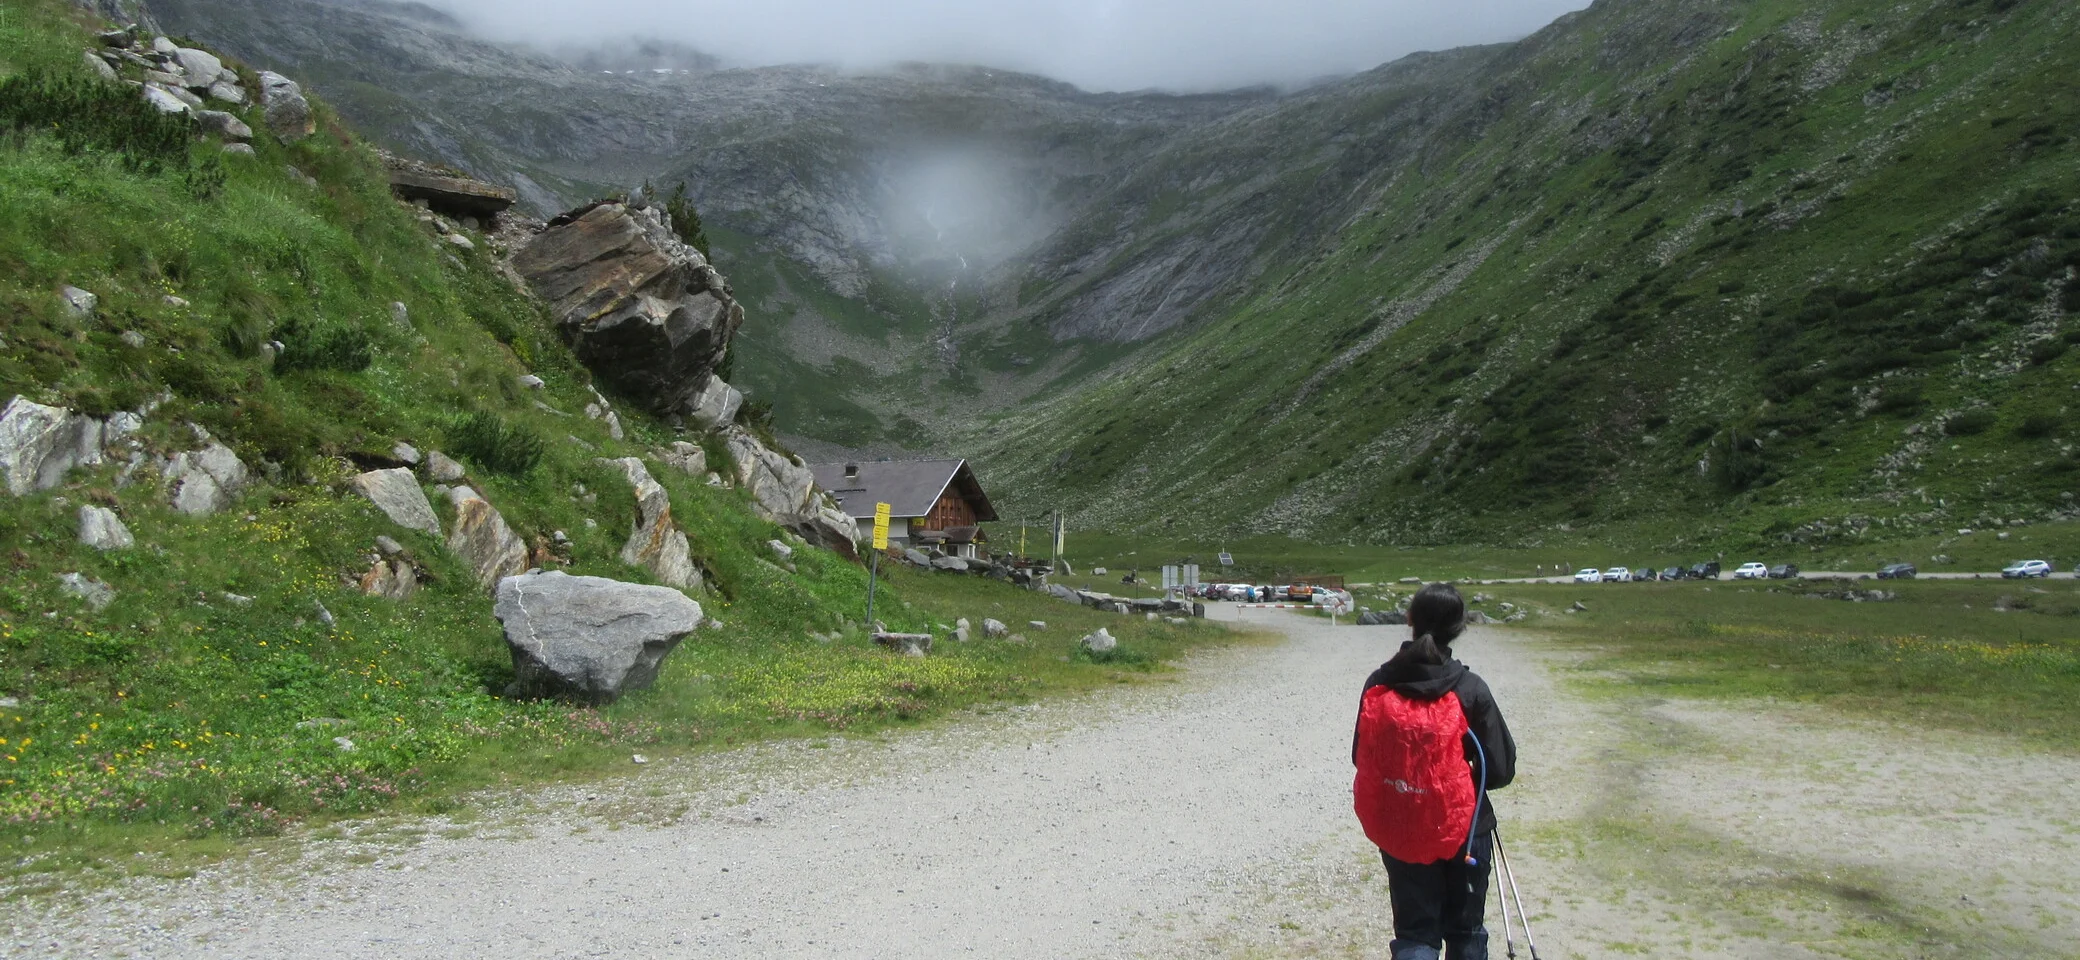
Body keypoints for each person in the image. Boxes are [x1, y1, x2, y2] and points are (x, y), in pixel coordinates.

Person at [1353, 582, 1516, 960]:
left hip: (1402, 824)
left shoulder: (1378, 683)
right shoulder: (1471, 689)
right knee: (1466, 930)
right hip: (1465, 828)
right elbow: (1501, 769)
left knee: (1414, 932)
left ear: (1409, 620)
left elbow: (1362, 756)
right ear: (1460, 626)